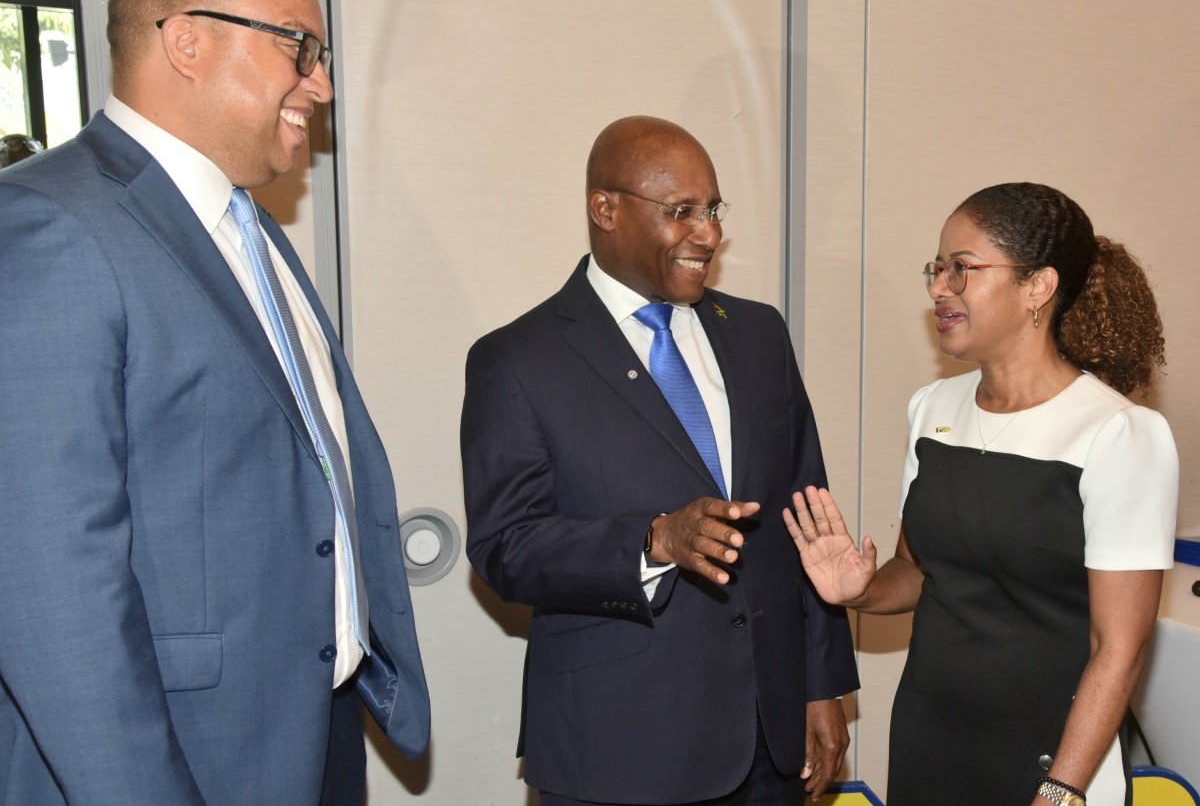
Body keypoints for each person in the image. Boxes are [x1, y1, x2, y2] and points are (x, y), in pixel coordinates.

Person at [0, 0, 429, 803]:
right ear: (187, 42)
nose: (323, 85)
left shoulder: (243, 223)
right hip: (184, 756)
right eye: (298, 46)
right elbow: (55, 601)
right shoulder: (47, 227)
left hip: (311, 726)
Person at [461, 115, 859, 806]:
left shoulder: (760, 334)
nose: (707, 234)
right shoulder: (518, 360)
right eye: (682, 212)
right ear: (606, 209)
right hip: (617, 751)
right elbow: (506, 547)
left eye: (712, 211)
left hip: (769, 746)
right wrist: (652, 540)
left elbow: (809, 518)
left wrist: (822, 684)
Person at [785, 182, 1178, 806]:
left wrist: (1062, 790)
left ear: (1037, 287)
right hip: (930, 743)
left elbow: (1120, 648)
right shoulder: (931, 408)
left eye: (961, 269)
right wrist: (861, 590)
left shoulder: (1119, 433)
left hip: (1053, 763)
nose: (939, 287)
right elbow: (919, 573)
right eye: (936, 268)